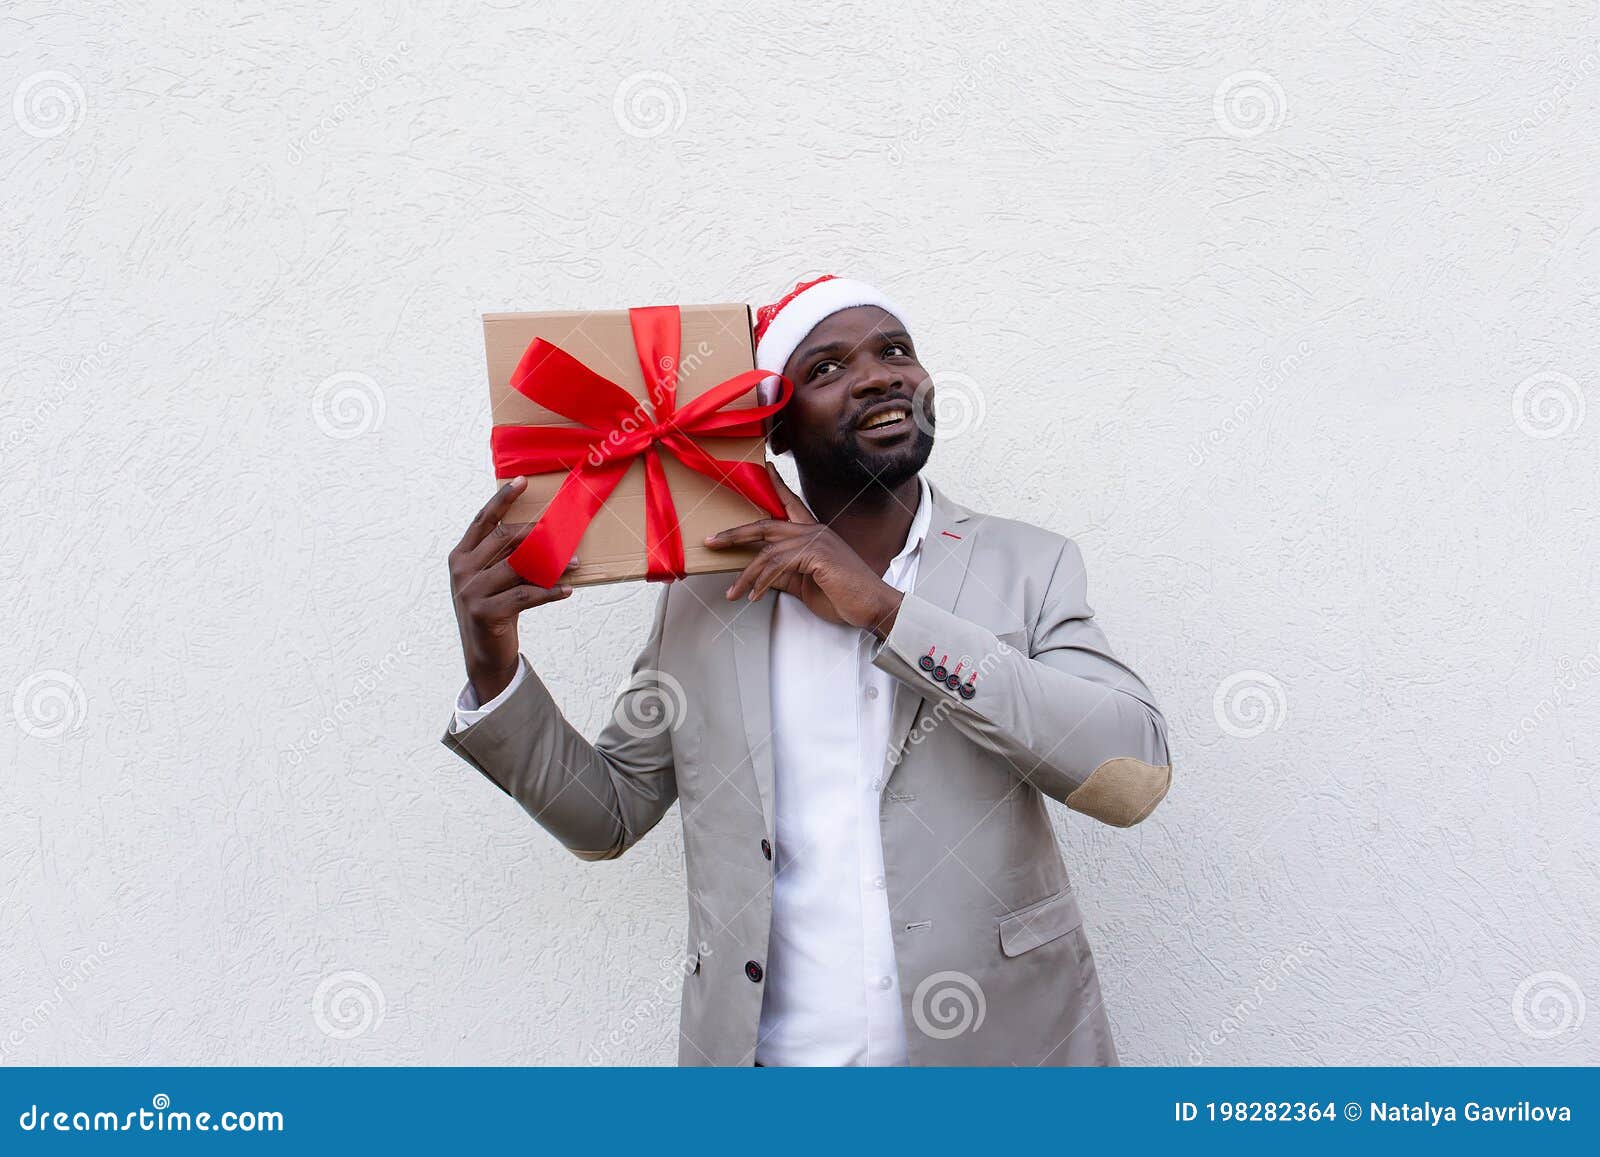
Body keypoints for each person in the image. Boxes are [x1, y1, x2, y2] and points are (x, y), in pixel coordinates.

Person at [443, 274, 1173, 1066]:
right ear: (775, 432)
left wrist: (888, 613)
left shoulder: (1029, 564)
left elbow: (1131, 776)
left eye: (896, 351)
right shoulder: (706, 598)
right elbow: (608, 816)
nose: (878, 374)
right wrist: (493, 662)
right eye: (827, 368)